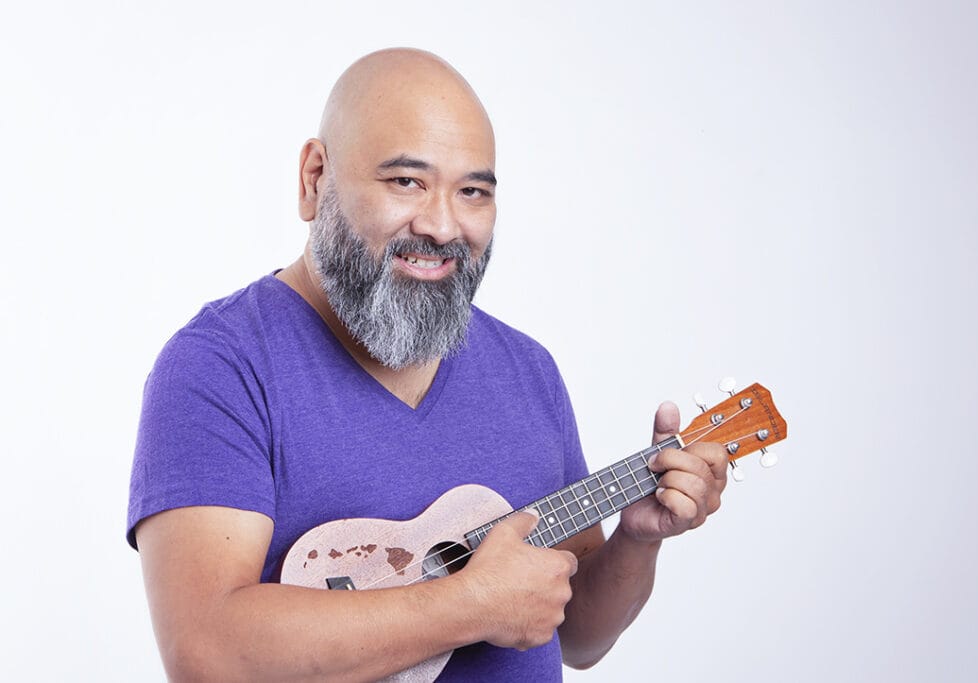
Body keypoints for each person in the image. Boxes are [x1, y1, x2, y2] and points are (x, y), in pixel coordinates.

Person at [127, 48, 728, 682]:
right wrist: (468, 606)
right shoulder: (221, 366)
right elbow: (207, 656)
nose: (442, 226)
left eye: (472, 191)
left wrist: (638, 538)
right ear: (314, 178)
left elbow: (576, 636)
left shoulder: (528, 371)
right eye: (406, 181)